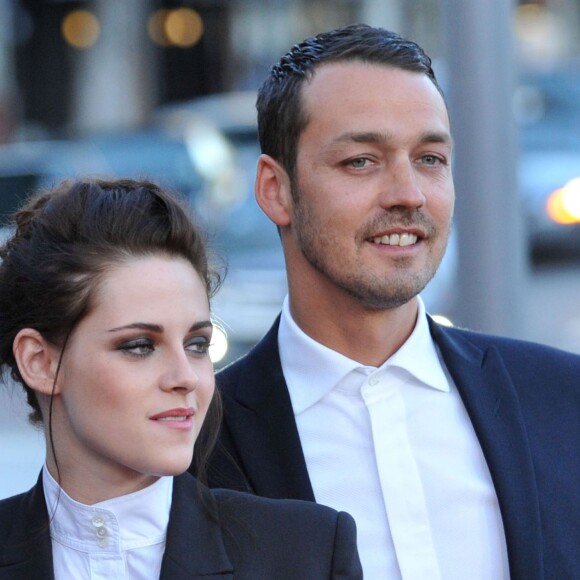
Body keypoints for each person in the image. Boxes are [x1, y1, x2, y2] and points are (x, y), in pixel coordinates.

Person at [194, 24, 580, 580]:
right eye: (361, 161)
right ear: (275, 189)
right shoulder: (191, 447)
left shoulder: (561, 401)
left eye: (429, 159)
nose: (408, 194)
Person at [0, 178, 363, 579]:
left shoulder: (305, 554)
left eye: (197, 344)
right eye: (139, 345)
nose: (185, 377)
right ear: (40, 362)